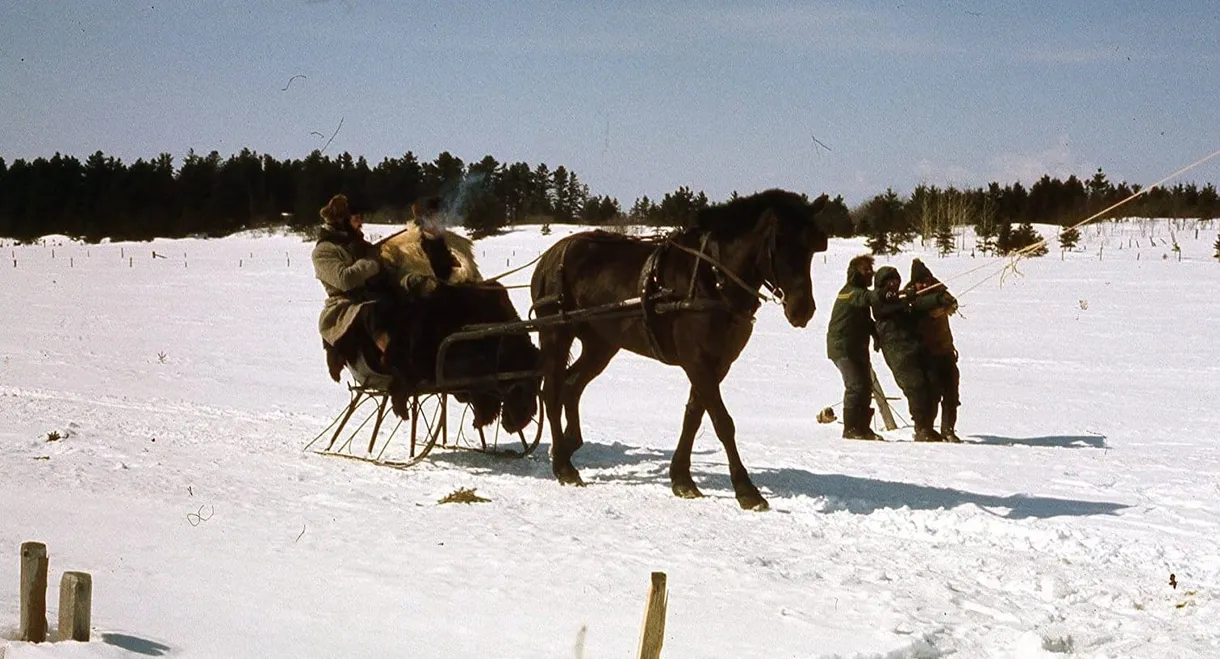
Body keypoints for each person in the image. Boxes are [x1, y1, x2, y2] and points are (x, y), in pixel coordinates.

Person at [311, 194, 400, 380]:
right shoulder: (323, 251)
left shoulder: (357, 245)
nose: (360, 223)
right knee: (372, 311)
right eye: (356, 218)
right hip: (344, 306)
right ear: (341, 220)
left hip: (370, 296)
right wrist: (373, 262)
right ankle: (394, 357)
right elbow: (346, 280)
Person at [871, 265, 945, 442]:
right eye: (890, 281)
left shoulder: (900, 299)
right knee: (916, 387)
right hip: (897, 352)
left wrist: (937, 299)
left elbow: (918, 304)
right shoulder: (879, 299)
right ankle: (921, 428)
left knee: (933, 385)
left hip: (915, 348)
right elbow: (884, 306)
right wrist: (904, 300)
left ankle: (927, 426)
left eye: (896, 280)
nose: (894, 284)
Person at [826, 254, 883, 440]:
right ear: (855, 273)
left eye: (870, 270)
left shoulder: (859, 292)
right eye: (866, 270)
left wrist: (875, 335)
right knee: (855, 385)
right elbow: (866, 298)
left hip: (856, 347)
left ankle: (862, 428)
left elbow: (865, 319)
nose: (870, 273)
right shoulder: (850, 292)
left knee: (866, 386)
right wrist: (886, 293)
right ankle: (850, 429)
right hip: (842, 347)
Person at [907, 259, 962, 442]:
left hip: (946, 350)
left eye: (927, 280)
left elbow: (952, 304)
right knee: (932, 394)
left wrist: (947, 303)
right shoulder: (909, 297)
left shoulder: (939, 291)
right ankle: (925, 430)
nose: (924, 284)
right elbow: (917, 306)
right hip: (926, 354)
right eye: (920, 282)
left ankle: (948, 430)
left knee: (951, 393)